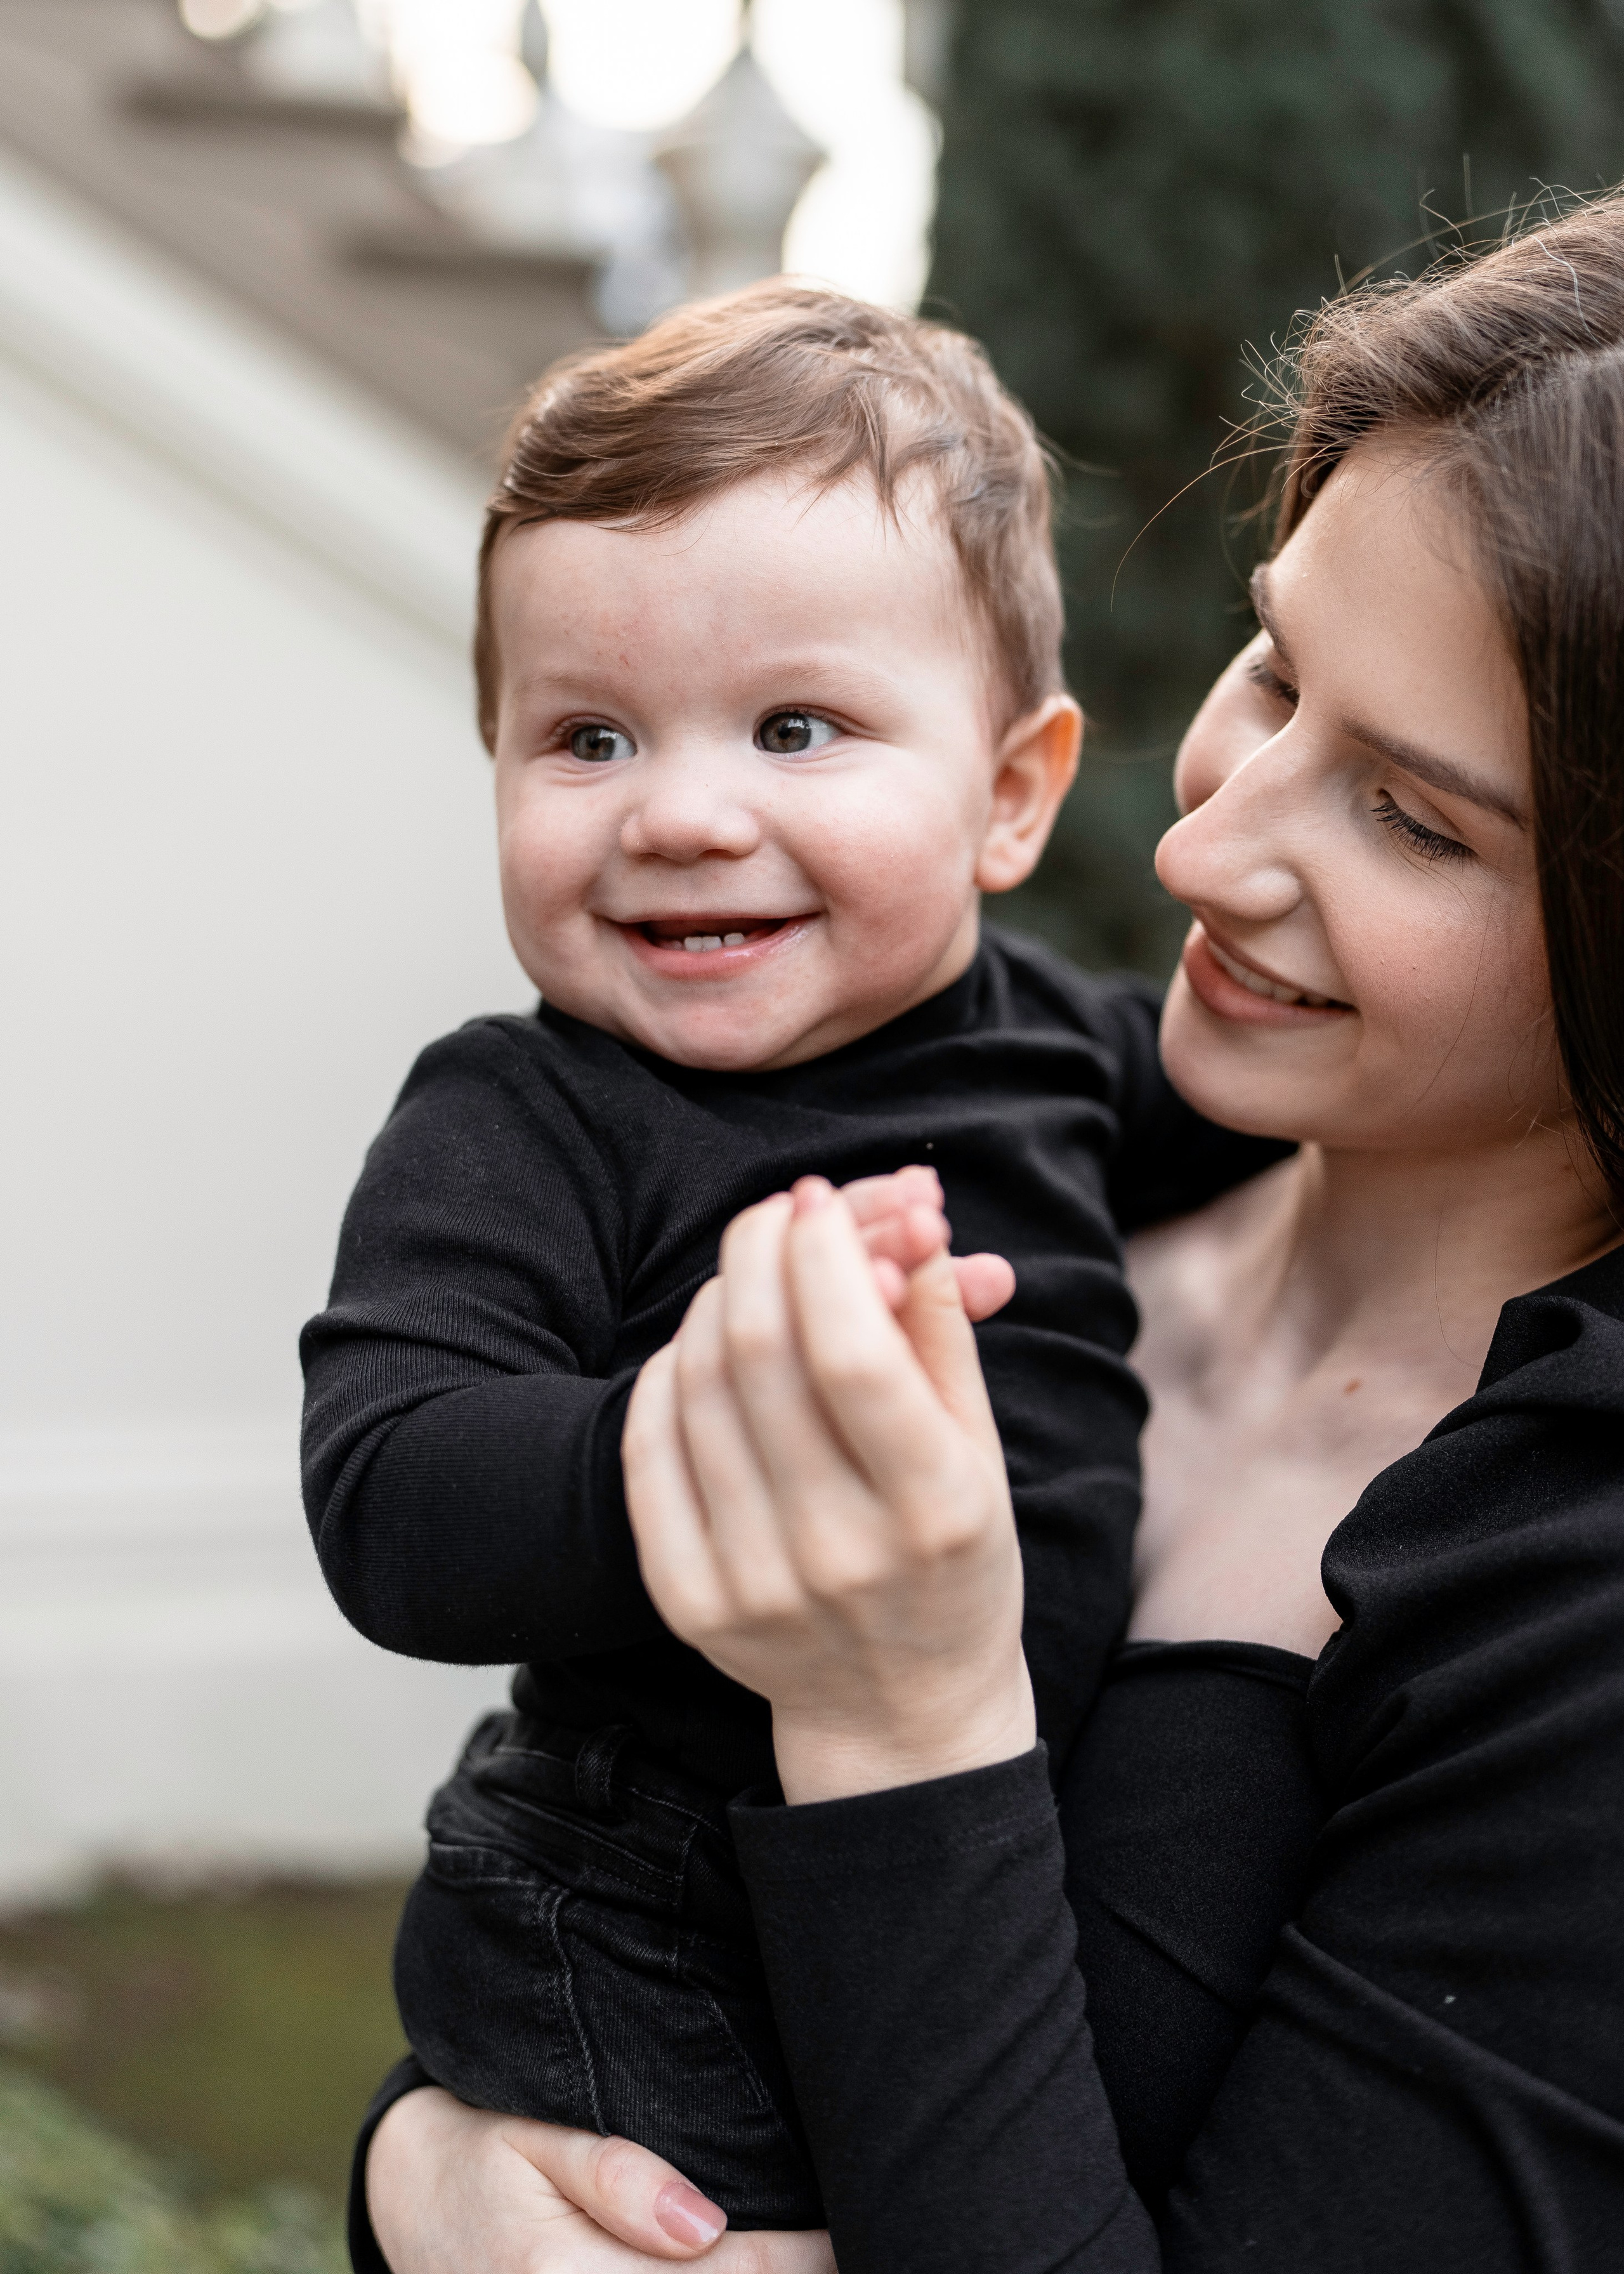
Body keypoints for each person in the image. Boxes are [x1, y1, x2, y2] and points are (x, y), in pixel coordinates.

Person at [360, 198, 1624, 2271]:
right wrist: (425, 2177)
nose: (1202, 841)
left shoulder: (1567, 1599)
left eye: (1413, 815)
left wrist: (902, 1710)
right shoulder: (1090, 1140)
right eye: (1274, 668)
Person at [301, 281, 1282, 2250]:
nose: (681, 814)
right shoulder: (528, 1118)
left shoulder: (1065, 1053)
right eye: (585, 737)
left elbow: (1332, 1113)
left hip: (950, 1870)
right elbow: (391, 1489)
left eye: (796, 728)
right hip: (646, 1915)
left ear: (1010, 793)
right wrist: (702, 1432)